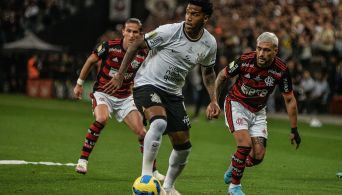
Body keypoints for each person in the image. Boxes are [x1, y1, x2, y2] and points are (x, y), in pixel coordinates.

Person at [103, 0, 221, 194]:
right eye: (188, 12)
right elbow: (135, 46)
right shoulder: (169, 31)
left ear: (205, 18)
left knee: (184, 147)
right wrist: (120, 75)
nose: (189, 17)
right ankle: (146, 177)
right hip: (147, 83)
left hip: (173, 93)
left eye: (195, 14)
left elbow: (208, 72)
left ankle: (168, 187)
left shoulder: (209, 43)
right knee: (159, 123)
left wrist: (214, 99)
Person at [208, 32, 301, 195]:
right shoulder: (245, 60)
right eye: (259, 49)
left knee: (257, 156)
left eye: (266, 50)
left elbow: (290, 100)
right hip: (236, 104)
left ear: (275, 51)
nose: (261, 54)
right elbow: (222, 75)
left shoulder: (281, 70)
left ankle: (235, 164)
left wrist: (294, 129)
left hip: (258, 111)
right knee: (244, 145)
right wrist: (214, 100)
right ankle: (234, 187)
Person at [73, 18, 164, 181]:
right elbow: (91, 60)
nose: (131, 35)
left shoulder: (143, 53)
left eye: (135, 32)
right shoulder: (110, 46)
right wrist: (79, 84)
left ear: (140, 34)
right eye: (128, 31)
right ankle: (83, 160)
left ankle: (153, 171)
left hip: (125, 97)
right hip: (103, 92)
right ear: (123, 32)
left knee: (142, 132)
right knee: (101, 119)